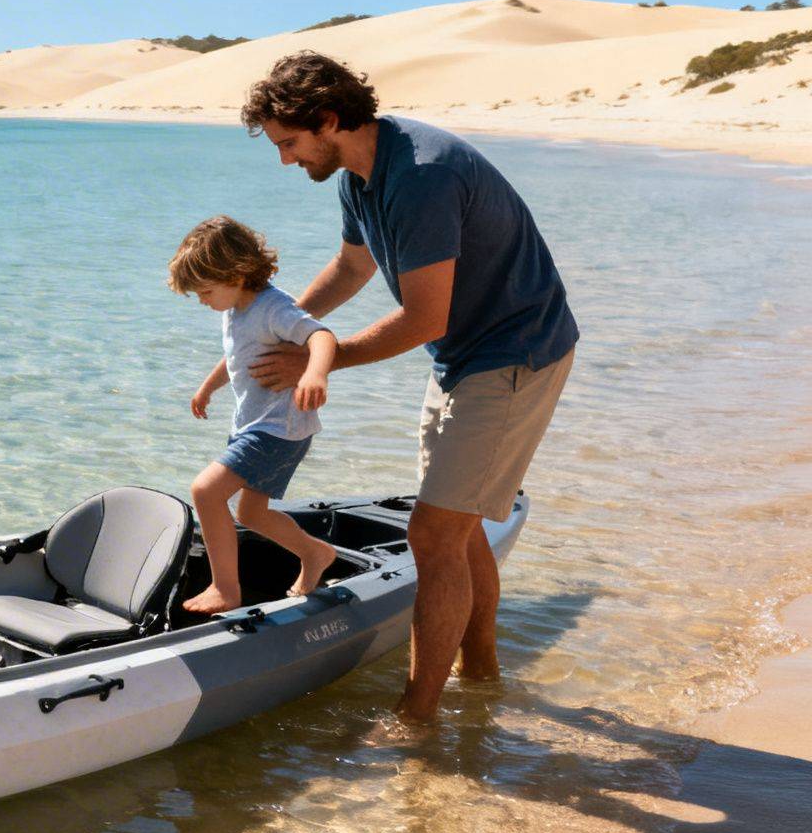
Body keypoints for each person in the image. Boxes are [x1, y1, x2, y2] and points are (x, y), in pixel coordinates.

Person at [239, 52, 578, 722]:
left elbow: (426, 316)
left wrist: (321, 362)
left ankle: (416, 721)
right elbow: (350, 266)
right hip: (463, 356)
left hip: (515, 354)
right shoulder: (359, 172)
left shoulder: (422, 176)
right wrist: (285, 332)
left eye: (288, 143)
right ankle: (481, 677)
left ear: (329, 120)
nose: (284, 160)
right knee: (458, 528)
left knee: (433, 534)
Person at [167, 216, 341, 615]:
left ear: (237, 273)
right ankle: (315, 554)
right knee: (251, 513)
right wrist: (209, 386)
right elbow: (235, 355)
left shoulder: (272, 307)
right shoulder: (237, 308)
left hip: (278, 430)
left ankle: (225, 589)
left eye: (205, 291)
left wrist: (315, 373)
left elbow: (321, 336)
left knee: (206, 491)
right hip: (258, 426)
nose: (202, 300)